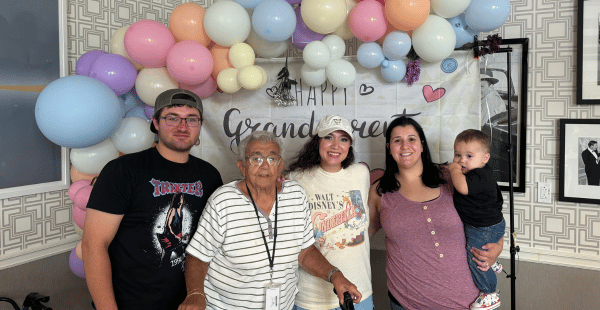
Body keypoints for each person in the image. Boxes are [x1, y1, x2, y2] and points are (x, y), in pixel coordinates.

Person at [179, 131, 362, 310]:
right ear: (242, 166)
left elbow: (304, 251)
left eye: (272, 159)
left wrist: (334, 275)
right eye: (256, 159)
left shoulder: (296, 195)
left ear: (280, 165)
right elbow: (198, 256)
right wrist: (195, 294)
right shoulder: (223, 201)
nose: (265, 166)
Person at [82, 89, 223, 310]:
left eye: (191, 119)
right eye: (172, 117)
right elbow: (93, 245)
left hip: (188, 304)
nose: (182, 126)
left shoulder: (210, 175)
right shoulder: (123, 170)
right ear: (156, 122)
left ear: (199, 125)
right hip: (131, 303)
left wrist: (272, 183)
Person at [368, 116, 504, 310]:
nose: (405, 146)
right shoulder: (379, 192)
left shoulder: (451, 177)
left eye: (412, 139)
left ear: (422, 145)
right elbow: (359, 235)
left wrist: (498, 245)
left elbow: (489, 211)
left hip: (469, 302)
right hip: (408, 303)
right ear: (390, 147)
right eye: (397, 140)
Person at [287, 115, 373, 310]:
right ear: (317, 141)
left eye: (343, 139)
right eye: (329, 137)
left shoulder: (360, 174)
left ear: (350, 145)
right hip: (312, 298)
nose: (335, 145)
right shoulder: (296, 179)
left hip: (359, 293)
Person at [448, 129, 505, 310]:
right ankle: (493, 262)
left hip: (483, 229)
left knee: (475, 258)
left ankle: (489, 293)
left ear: (485, 158)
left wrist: (453, 169)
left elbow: (463, 188)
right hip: (491, 226)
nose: (461, 160)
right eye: (457, 155)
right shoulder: (480, 173)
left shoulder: (479, 175)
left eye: (469, 156)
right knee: (482, 253)